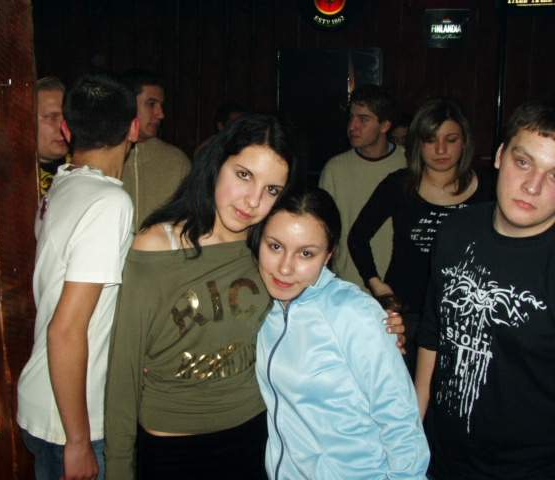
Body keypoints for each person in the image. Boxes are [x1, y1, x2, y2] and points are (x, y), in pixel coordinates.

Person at [104, 114, 407, 479]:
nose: (253, 200)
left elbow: (322, 298)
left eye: (272, 190)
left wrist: (378, 327)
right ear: (217, 164)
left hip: (256, 434)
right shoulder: (158, 245)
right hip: (173, 444)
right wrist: (118, 466)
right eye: (244, 175)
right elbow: (124, 368)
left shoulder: (266, 248)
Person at [415, 100, 555, 479]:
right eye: (523, 162)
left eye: (554, 176)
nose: (532, 186)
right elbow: (432, 332)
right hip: (441, 455)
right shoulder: (455, 231)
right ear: (499, 156)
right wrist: (412, 424)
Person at [250, 187, 429, 479]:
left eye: (306, 253)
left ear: (328, 255)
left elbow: (400, 420)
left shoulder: (353, 313)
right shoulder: (260, 306)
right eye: (275, 246)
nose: (285, 268)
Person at [17, 74, 139, 480]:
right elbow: (65, 330)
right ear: (133, 128)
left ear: (67, 130)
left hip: (49, 398)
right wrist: (78, 441)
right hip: (71, 416)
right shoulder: (109, 201)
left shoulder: (63, 185)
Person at [348, 98, 493, 374]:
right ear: (417, 143)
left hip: (464, 315)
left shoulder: (488, 188)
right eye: (430, 140)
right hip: (407, 316)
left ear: (464, 142)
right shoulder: (399, 184)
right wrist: (376, 285)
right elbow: (357, 237)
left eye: (451, 140)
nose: (441, 149)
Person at [319, 84, 406, 290]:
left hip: (398, 282)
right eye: (351, 118)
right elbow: (322, 229)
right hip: (348, 283)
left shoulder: (408, 163)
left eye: (363, 119)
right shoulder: (335, 168)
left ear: (384, 126)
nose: (353, 126)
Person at [120, 69, 191, 229]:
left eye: (161, 106)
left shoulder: (177, 162)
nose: (160, 114)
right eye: (151, 104)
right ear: (127, 104)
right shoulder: (102, 157)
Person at [36, 76, 69, 197]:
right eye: (52, 117)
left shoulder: (83, 168)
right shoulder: (13, 178)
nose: (63, 126)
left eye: (67, 117)